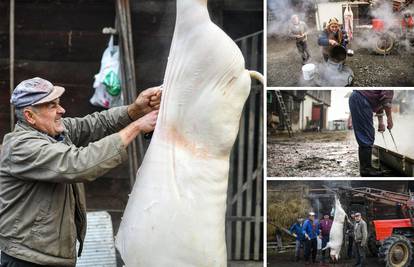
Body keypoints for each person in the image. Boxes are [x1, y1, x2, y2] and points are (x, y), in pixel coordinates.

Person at [0, 77, 161, 267]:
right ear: (29, 116)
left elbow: (96, 123)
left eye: (58, 103)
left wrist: (135, 110)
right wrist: (136, 127)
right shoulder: (21, 146)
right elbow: (79, 164)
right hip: (27, 259)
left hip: (45, 256)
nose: (62, 110)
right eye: (52, 106)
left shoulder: (55, 133)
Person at [348, 90, 394, 177]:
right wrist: (389, 118)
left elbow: (379, 106)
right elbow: (386, 103)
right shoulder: (389, 90)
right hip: (361, 99)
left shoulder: (377, 94)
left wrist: (381, 122)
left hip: (358, 98)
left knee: (366, 132)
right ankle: (366, 169)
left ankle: (366, 168)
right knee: (366, 134)